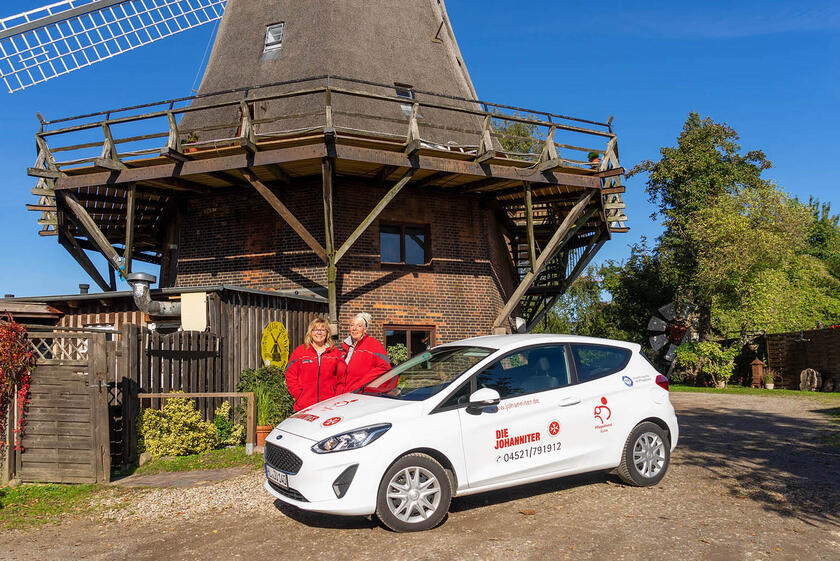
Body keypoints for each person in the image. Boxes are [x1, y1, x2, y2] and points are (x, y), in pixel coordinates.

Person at [285, 317, 345, 412]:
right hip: (304, 405)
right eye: (316, 330)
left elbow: (342, 378)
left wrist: (336, 397)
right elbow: (290, 375)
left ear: (327, 333)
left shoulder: (335, 353)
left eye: (322, 330)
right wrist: (299, 394)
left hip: (329, 406)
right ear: (311, 332)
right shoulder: (300, 352)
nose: (319, 333)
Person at [338, 312, 391, 393]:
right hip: (343, 396)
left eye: (359, 326)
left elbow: (384, 368)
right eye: (352, 325)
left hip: (362, 394)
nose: (354, 328)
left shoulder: (373, 344)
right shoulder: (345, 348)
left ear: (365, 330)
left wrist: (361, 385)